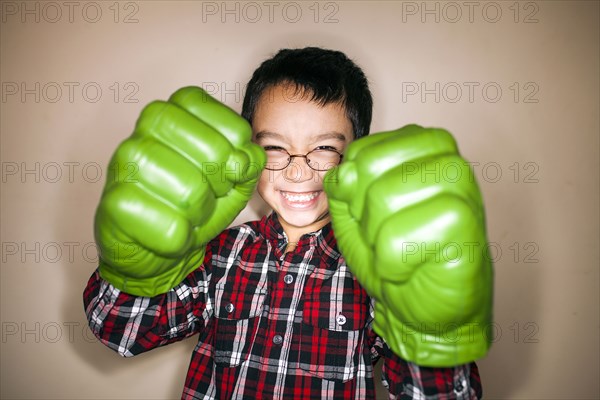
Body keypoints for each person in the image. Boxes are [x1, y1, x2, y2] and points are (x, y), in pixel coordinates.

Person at [84, 47, 492, 399]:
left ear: (356, 155)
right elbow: (121, 334)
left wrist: (431, 336)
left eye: (325, 149)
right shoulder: (220, 253)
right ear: (250, 153)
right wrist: (133, 267)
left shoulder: (382, 268)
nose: (299, 173)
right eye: (276, 148)